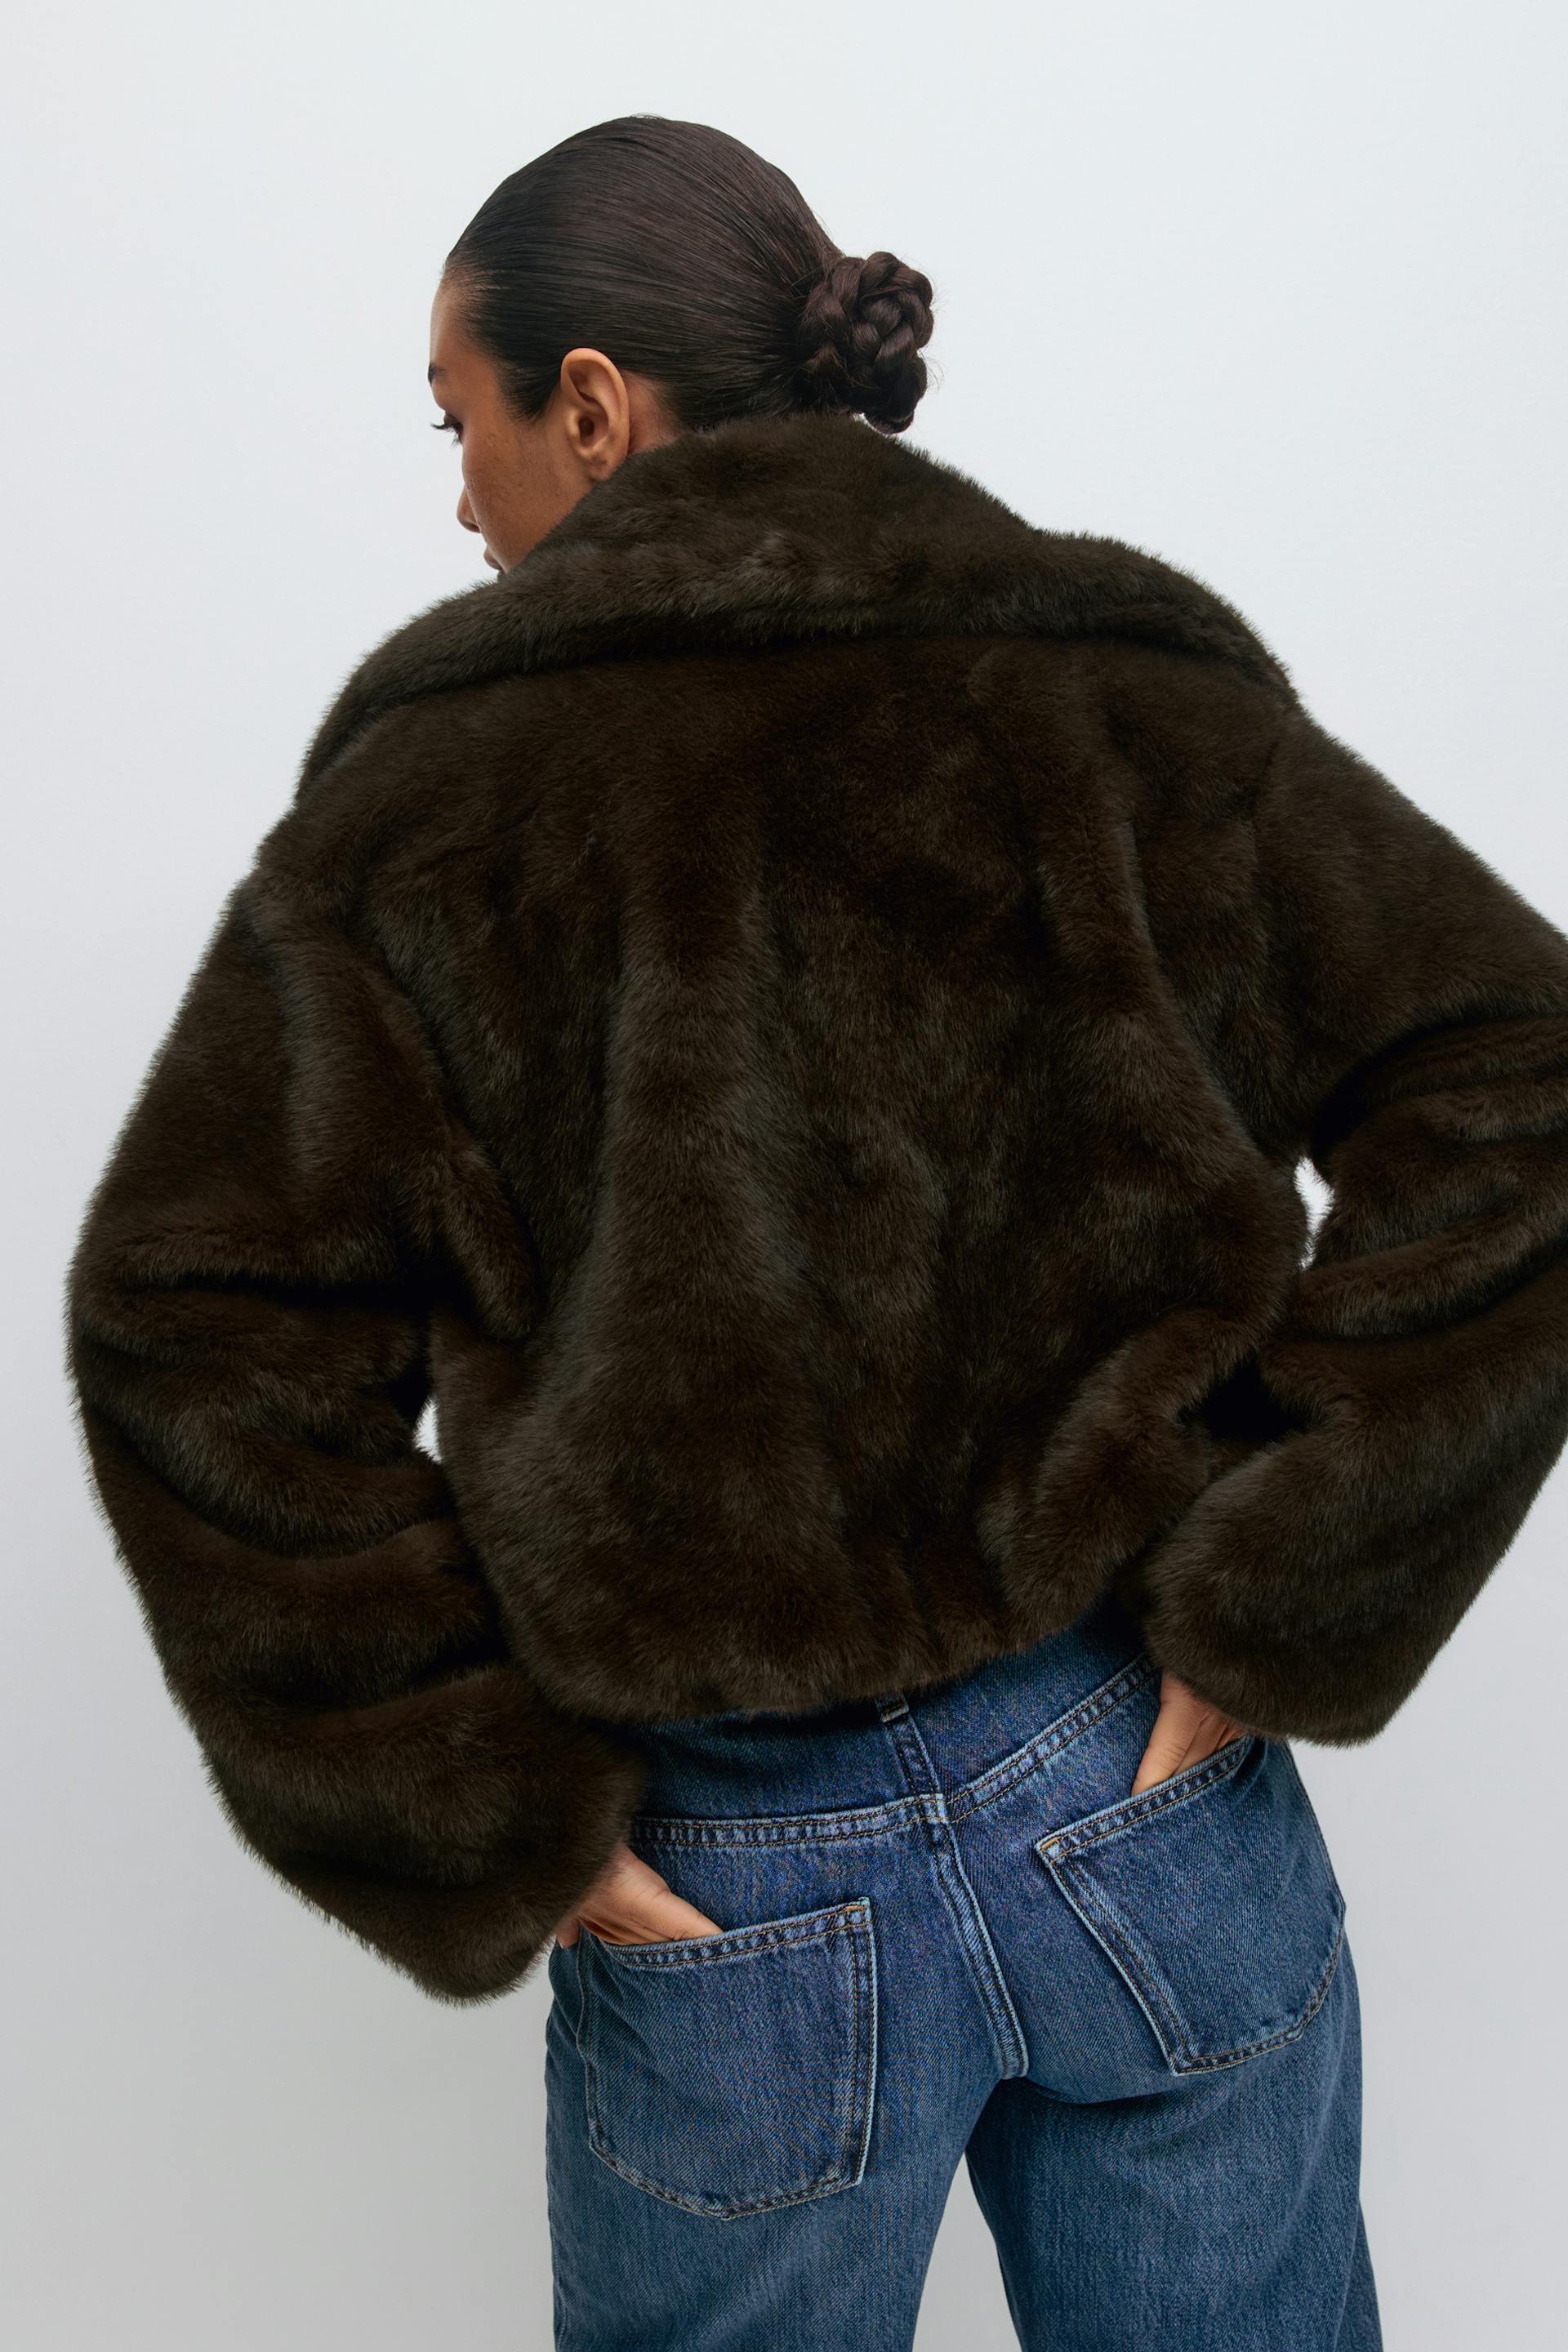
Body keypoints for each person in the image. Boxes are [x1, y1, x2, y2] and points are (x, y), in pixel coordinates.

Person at [64, 114, 1568, 2352]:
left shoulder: (424, 810)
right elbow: (1520, 1075)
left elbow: (197, 1326)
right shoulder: (1107, 684)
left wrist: (481, 1806)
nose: (457, 499)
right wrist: (1272, 1594)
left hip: (736, 1879)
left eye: (459, 424)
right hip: (1140, 1798)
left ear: (592, 407)